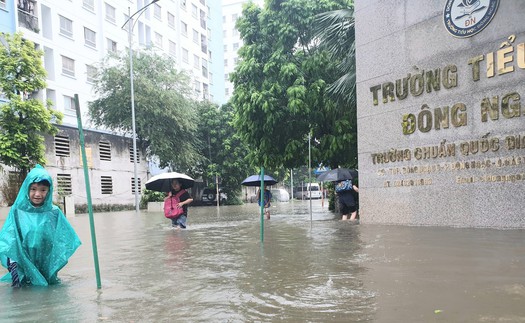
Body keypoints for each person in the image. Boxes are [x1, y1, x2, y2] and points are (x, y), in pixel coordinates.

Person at [0, 164, 81, 288]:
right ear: (27, 189)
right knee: (22, 287)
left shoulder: (54, 212)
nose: (37, 194)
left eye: (43, 190)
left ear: (49, 191)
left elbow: (65, 237)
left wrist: (57, 257)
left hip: (46, 258)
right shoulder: (17, 211)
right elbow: (8, 237)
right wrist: (12, 261)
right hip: (22, 258)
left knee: (46, 286)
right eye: (33, 189)